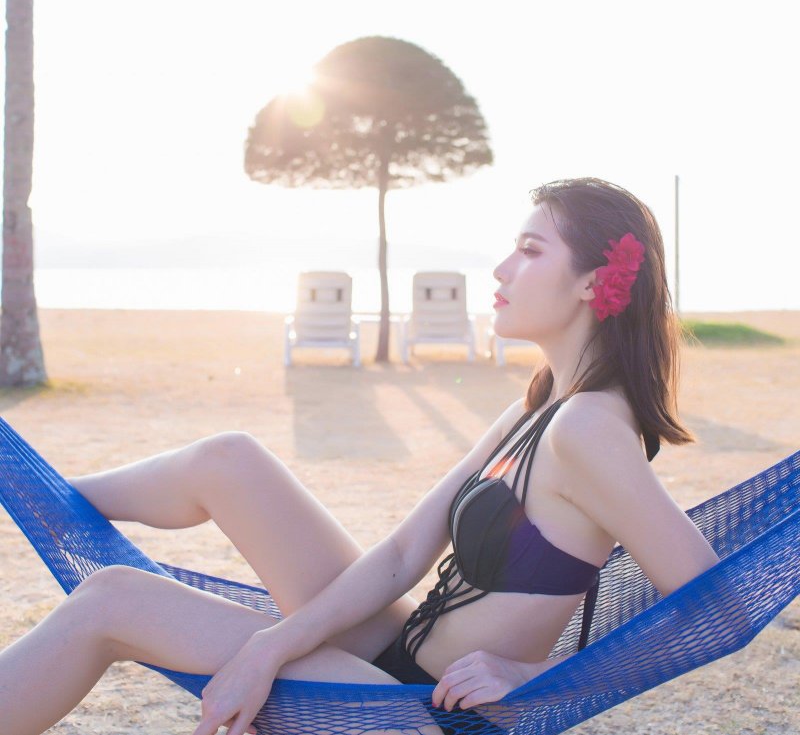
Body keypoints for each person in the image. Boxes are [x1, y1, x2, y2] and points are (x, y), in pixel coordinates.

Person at [0, 177, 719, 735]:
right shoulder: (541, 405)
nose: (500, 268)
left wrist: (535, 674)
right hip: (393, 652)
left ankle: (33, 498)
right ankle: (40, 496)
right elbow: (406, 551)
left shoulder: (588, 426)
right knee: (229, 460)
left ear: (596, 281)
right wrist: (273, 644)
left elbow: (711, 598)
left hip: (421, 713)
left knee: (112, 599)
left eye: (531, 250)